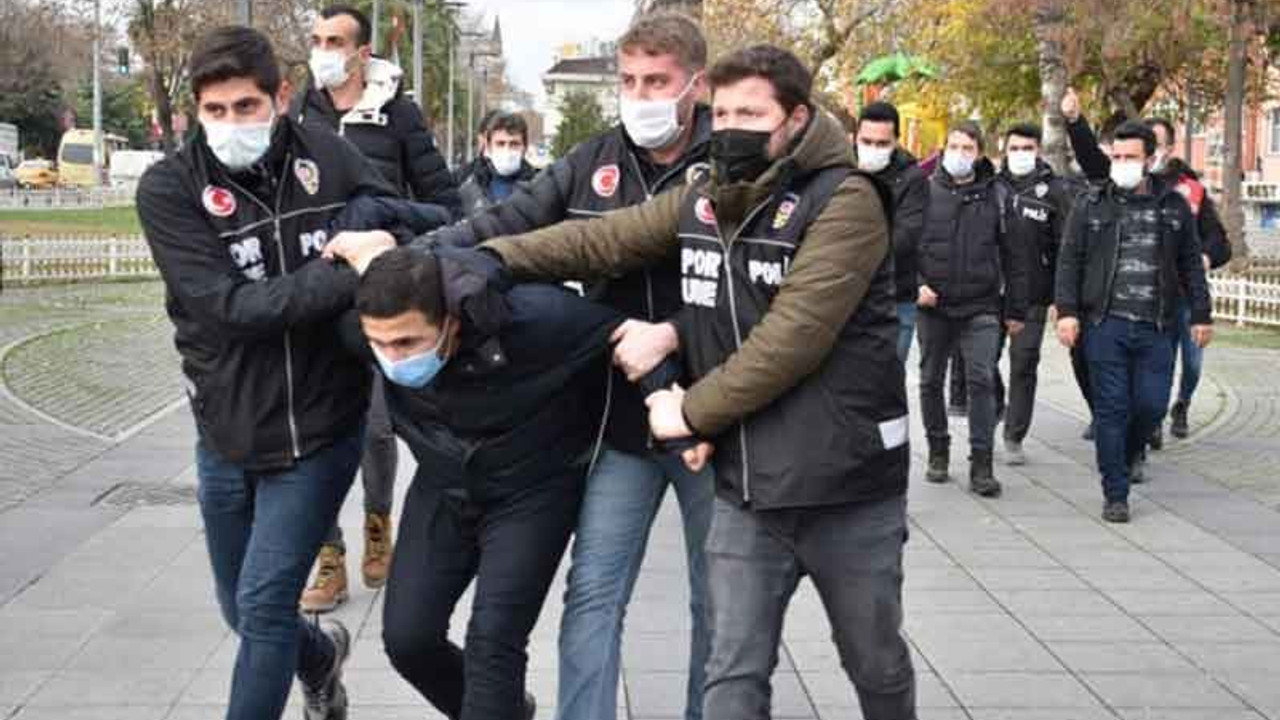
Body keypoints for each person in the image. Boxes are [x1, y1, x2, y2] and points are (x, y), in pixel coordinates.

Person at [441, 43, 915, 720]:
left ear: (797, 118)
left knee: (873, 660)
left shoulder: (846, 202)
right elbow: (599, 241)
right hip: (748, 487)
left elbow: (791, 339)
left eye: (750, 112)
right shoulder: (706, 198)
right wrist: (482, 260)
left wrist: (688, 411)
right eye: (720, 112)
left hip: (843, 486)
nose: (730, 127)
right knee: (733, 674)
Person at [419, 12, 716, 720]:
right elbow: (510, 222)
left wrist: (673, 333)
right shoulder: (592, 160)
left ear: (696, 85)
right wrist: (423, 254)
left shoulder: (733, 162)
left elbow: (761, 288)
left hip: (715, 415)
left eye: (658, 81)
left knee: (722, 600)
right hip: (619, 419)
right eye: (629, 80)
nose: (640, 95)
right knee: (592, 594)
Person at [136, 25, 405, 720]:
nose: (232, 124)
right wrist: (344, 269)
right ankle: (321, 659)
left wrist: (376, 229)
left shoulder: (329, 156)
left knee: (261, 606)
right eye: (215, 111)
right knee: (242, 609)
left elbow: (405, 211)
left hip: (321, 429)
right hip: (226, 435)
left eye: (246, 107)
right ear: (195, 110)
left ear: (281, 98)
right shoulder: (170, 189)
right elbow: (231, 309)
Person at [319, 243, 681, 720]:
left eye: (407, 343)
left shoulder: (535, 319)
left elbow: (628, 335)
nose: (392, 359)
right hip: (444, 486)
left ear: (449, 321)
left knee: (494, 641)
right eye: (379, 345)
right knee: (408, 640)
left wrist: (664, 402)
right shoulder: (358, 331)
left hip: (532, 492)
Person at [293, 3, 462, 612]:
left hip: (374, 296)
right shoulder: (300, 114)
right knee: (308, 433)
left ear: (363, 52)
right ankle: (328, 557)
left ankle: (377, 521)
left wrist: (386, 226)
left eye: (334, 40)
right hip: (309, 295)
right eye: (315, 39)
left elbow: (448, 205)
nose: (323, 50)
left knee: (374, 426)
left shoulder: (397, 116)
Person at [1054, 120, 1213, 523]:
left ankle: (1123, 458)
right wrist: (1068, 312)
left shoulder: (1173, 205)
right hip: (1104, 323)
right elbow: (1069, 260)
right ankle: (1115, 493)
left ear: (1149, 159)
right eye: (1116, 156)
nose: (1122, 164)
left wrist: (1201, 313)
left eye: (1131, 158)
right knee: (1111, 408)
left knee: (1150, 405)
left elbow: (1191, 262)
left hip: (1157, 326)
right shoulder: (1090, 204)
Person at [1061, 90, 1231, 445]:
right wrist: (1076, 122)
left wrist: (1206, 258)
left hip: (1174, 301)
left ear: (1160, 152)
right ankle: (1129, 441)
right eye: (1119, 155)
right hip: (1116, 309)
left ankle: (1173, 408)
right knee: (1118, 387)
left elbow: (1214, 242)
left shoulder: (1186, 192)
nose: (1125, 161)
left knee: (1173, 377)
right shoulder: (1113, 187)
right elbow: (1093, 161)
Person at [916, 120, 1029, 497]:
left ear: (980, 153)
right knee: (931, 379)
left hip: (981, 305)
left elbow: (1016, 257)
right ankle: (937, 449)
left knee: (981, 378)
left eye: (967, 148)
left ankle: (982, 463)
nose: (959, 155)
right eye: (953, 147)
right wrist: (917, 284)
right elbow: (904, 245)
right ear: (943, 149)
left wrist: (1016, 309)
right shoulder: (924, 191)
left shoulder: (997, 196)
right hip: (934, 306)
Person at [994, 122, 1073, 465]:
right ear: (1004, 150)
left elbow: (1064, 247)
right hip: (989, 293)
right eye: (1015, 148)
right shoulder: (992, 186)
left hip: (1033, 295)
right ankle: (996, 405)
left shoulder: (1054, 191)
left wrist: (1061, 296)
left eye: (1028, 148)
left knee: (1024, 363)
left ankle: (1014, 434)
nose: (1021, 154)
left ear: (1038, 151)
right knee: (979, 363)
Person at [854, 101, 928, 363]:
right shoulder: (840, 169)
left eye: (882, 144)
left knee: (887, 386)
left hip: (894, 299)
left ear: (896, 141)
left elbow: (905, 236)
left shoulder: (912, 178)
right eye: (867, 141)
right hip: (845, 297)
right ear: (856, 137)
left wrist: (853, 254)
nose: (873, 149)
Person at [459, 112, 538, 215]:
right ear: (488, 146)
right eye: (500, 143)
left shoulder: (537, 188)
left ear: (525, 147)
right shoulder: (468, 190)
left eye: (514, 144)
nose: (507, 150)